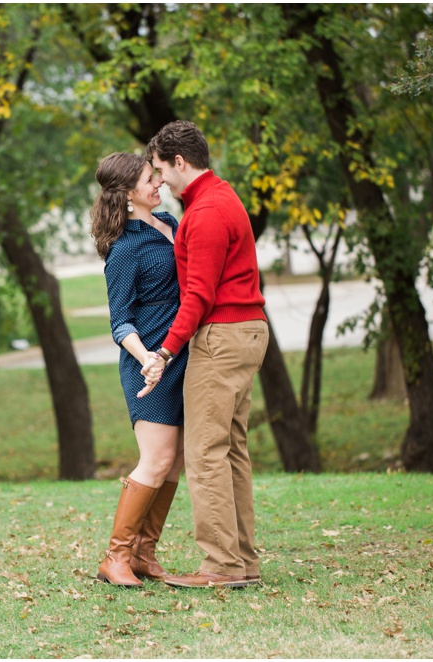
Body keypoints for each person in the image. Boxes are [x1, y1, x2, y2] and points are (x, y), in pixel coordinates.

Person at [138, 121, 268, 589]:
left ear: (179, 162)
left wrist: (167, 350)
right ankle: (242, 561)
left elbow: (199, 293)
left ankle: (221, 566)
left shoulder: (208, 211)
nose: (159, 180)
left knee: (205, 452)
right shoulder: (218, 197)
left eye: (159, 169)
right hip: (244, 332)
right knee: (230, 450)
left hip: (223, 336)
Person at [88, 152, 188, 587]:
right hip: (148, 365)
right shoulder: (125, 249)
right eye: (150, 179)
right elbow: (120, 321)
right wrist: (147, 356)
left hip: (181, 355)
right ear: (129, 193)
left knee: (174, 461)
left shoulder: (171, 223)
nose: (159, 183)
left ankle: (144, 554)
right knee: (156, 459)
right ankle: (116, 557)